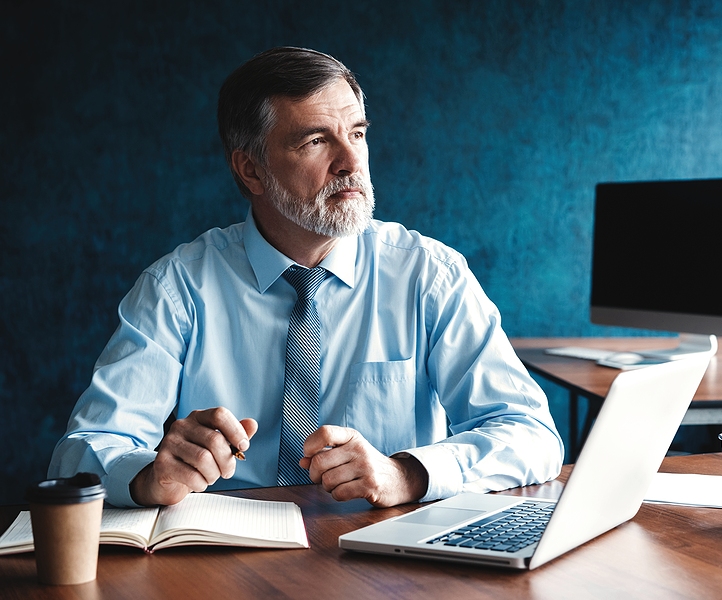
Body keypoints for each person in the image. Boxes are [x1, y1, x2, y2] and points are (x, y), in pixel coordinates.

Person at [49, 47, 563, 509]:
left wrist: (407, 472)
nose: (350, 161)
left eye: (357, 134)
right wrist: (145, 477)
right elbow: (84, 449)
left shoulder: (429, 275)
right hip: (219, 562)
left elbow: (530, 432)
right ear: (251, 171)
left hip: (382, 559)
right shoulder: (178, 288)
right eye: (316, 141)